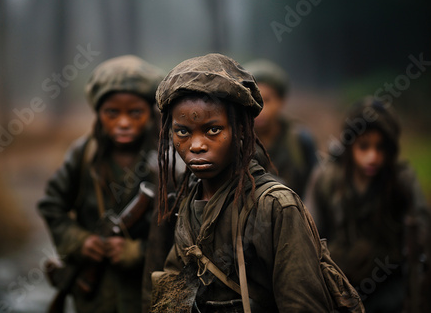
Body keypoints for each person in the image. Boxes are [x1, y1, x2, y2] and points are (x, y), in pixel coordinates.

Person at [148, 53, 353, 312]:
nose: (196, 145)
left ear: (242, 130)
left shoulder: (275, 206)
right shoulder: (188, 201)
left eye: (213, 130)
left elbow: (302, 303)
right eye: (183, 132)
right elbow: (173, 290)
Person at [37, 55, 164, 313]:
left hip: (147, 291)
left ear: (151, 113)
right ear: (98, 113)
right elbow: (52, 206)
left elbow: (185, 228)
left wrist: (140, 252)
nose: (124, 122)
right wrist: (79, 241)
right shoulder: (82, 154)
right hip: (94, 294)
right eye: (112, 113)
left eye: (135, 112)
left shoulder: (168, 158)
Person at [305, 97, 431, 313]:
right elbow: (309, 233)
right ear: (350, 145)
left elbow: (421, 233)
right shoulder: (326, 179)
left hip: (389, 289)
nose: (372, 157)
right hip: (338, 287)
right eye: (364, 146)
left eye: (380, 148)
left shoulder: (401, 181)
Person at [243, 59, 317, 198]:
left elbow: (314, 189)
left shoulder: (300, 140)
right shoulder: (239, 142)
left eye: (267, 100)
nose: (260, 108)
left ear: (281, 101)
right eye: (253, 100)